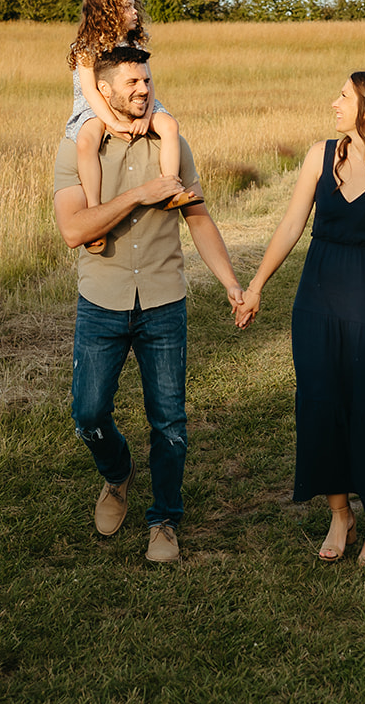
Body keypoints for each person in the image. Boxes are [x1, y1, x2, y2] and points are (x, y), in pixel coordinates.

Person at [236, 72, 365, 567]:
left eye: (344, 96)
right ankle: (339, 513)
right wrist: (257, 287)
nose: (334, 102)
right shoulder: (319, 155)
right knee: (322, 403)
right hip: (318, 300)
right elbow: (291, 224)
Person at [53, 44, 243, 563]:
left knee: (170, 422)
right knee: (88, 415)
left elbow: (198, 219)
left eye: (147, 81)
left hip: (164, 299)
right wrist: (139, 195)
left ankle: (163, 520)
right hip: (102, 300)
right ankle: (118, 476)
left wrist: (231, 283)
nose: (143, 90)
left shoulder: (171, 141)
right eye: (132, 84)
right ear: (105, 90)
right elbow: (74, 229)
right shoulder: (77, 147)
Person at [66, 0, 198, 253]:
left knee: (170, 126)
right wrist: (111, 122)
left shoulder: (135, 45)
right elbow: (91, 91)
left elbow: (148, 84)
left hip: (138, 102)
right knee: (87, 142)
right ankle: (94, 208)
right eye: (126, 7)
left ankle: (170, 186)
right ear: (108, 13)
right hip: (96, 105)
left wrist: (146, 117)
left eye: (133, 6)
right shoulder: (86, 48)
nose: (135, 12)